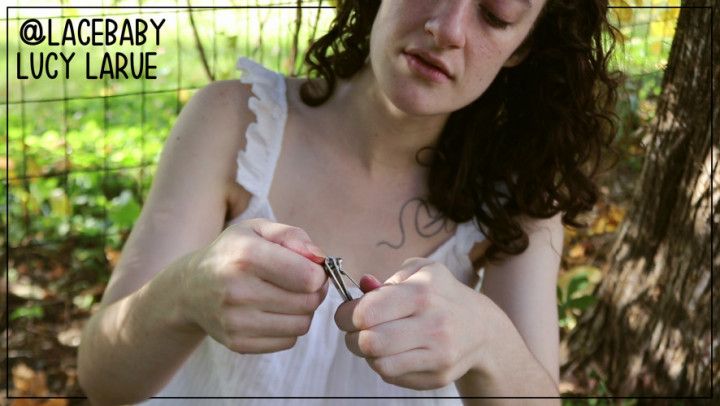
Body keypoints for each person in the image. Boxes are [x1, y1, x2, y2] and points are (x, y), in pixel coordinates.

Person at [77, 0, 619, 404]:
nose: (447, 28)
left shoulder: (519, 197)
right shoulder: (234, 122)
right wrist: (184, 294)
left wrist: (489, 341)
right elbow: (103, 379)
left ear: (522, 48)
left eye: (496, 15)